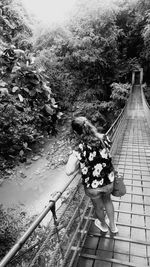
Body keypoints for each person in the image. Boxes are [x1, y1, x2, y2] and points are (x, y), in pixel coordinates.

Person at [66, 116, 118, 234]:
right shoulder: (104, 138)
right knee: (108, 201)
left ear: (75, 132)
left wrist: (74, 158)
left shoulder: (79, 148)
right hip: (108, 181)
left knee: (98, 206)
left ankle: (104, 226)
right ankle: (113, 227)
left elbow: (68, 171)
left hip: (93, 186)